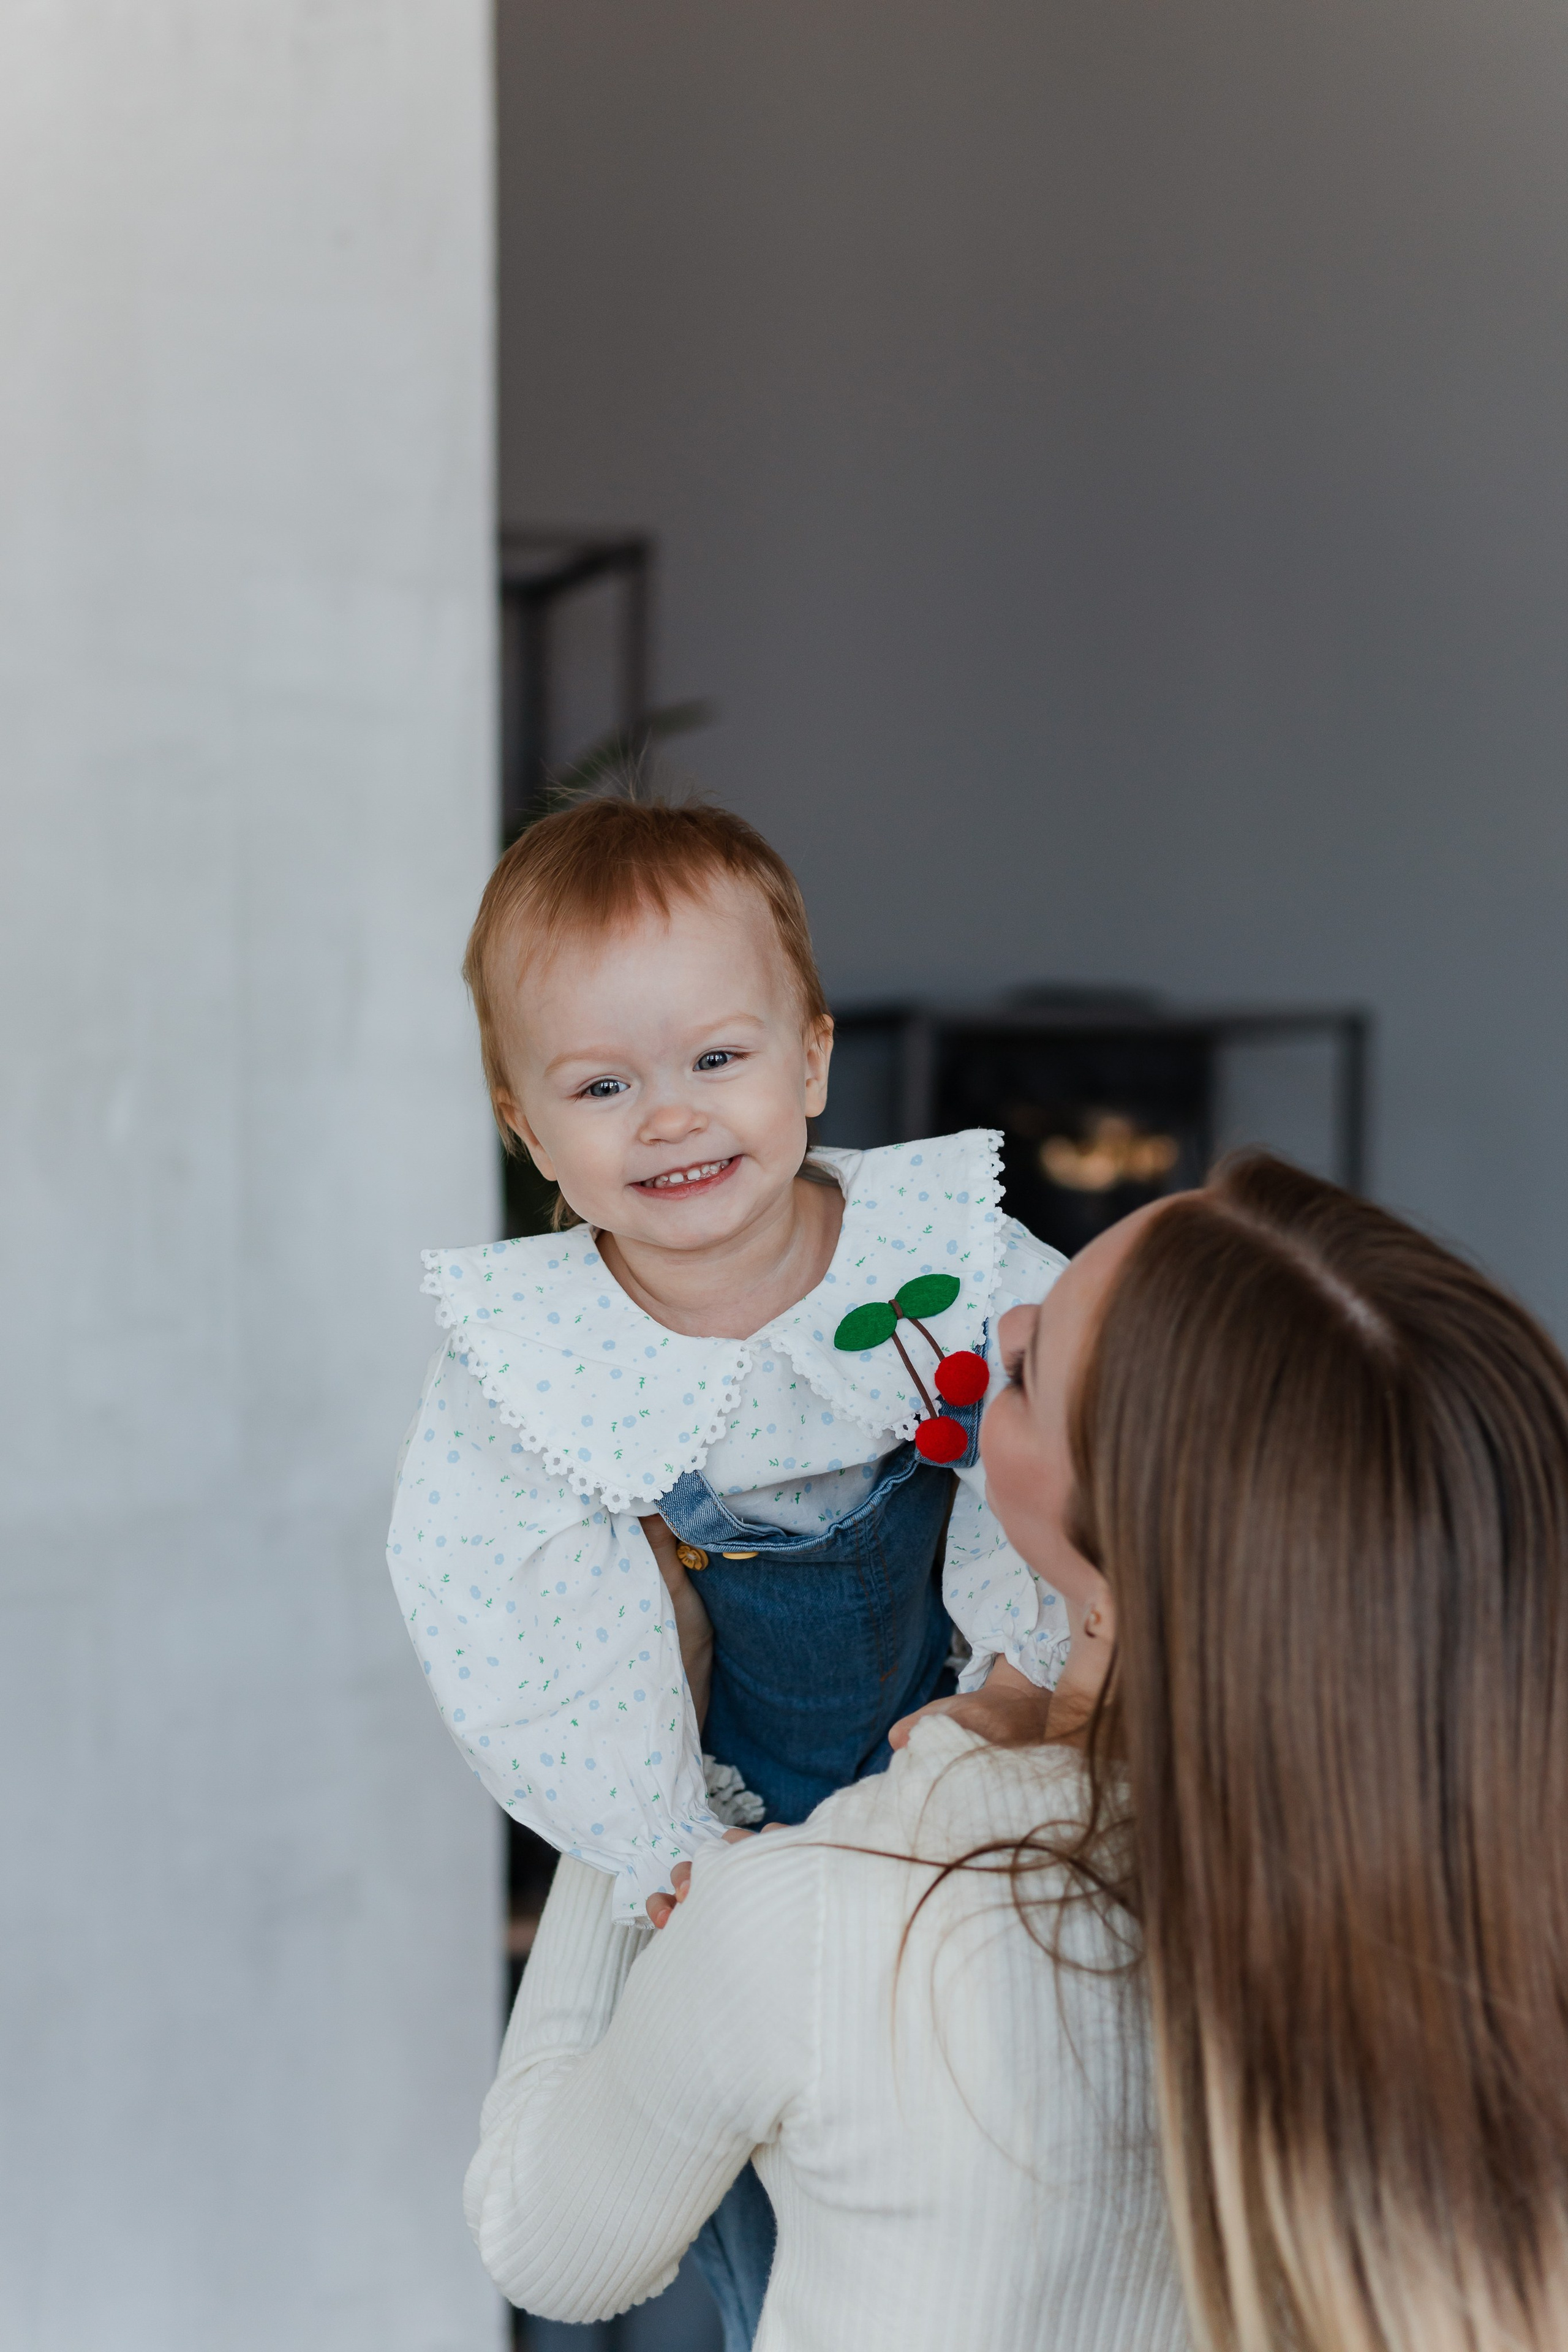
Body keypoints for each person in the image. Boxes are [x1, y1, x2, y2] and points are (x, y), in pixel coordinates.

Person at [466, 1155, 1568, 2352]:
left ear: (1121, 1562)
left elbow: (546, 2243)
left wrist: (648, 1751)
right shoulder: (1505, 1921)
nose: (998, 1320)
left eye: (1032, 1370)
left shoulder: (837, 1917)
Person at [386, 791, 1069, 2343]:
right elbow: (498, 1591)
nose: (671, 1117)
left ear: (810, 1061)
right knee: (756, 2174)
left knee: (983, 2112)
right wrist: (655, 1831)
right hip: (715, 1783)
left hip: (963, 1715)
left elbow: (1062, 1428)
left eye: (716, 1059)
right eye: (601, 1084)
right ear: (527, 1128)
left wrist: (1022, 1685)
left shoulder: (930, 1250)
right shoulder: (538, 1357)